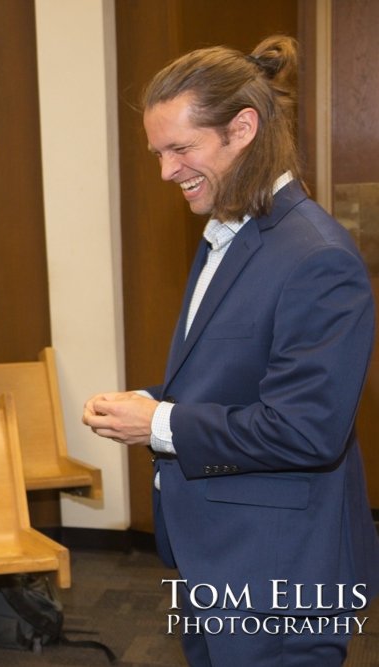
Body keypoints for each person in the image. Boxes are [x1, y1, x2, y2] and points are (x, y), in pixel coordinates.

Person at [83, 35, 379, 666]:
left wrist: (160, 424)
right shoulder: (228, 231)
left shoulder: (317, 257)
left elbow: (307, 431)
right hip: (218, 558)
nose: (166, 171)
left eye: (181, 149)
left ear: (243, 128)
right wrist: (154, 401)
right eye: (158, 153)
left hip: (281, 572)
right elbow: (237, 381)